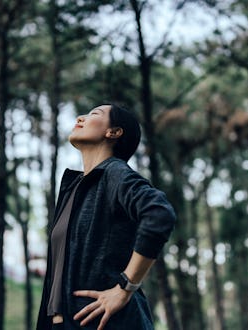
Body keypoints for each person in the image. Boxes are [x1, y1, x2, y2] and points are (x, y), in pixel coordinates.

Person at [36, 104, 176, 330]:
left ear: (114, 132)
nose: (80, 118)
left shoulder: (114, 173)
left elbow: (159, 213)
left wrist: (125, 287)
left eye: (94, 114)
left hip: (108, 323)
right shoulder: (76, 188)